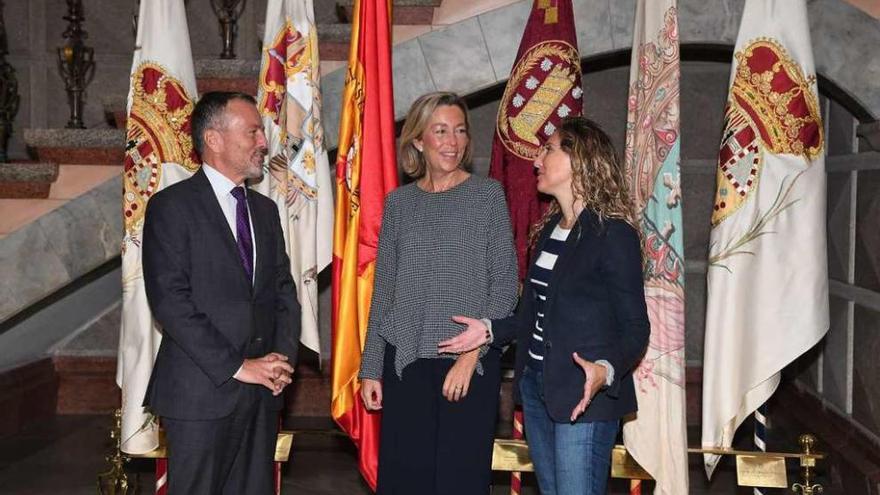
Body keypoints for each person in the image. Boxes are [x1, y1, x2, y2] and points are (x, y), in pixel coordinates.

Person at [440, 117, 650, 495]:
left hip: (583, 399)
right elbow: (533, 316)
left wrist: (604, 370)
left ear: (579, 160)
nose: (537, 159)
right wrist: (489, 330)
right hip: (538, 388)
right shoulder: (551, 229)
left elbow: (636, 328)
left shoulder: (613, 234)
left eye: (548, 150)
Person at [358, 91, 519, 494]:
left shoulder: (487, 196)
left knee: (458, 482)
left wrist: (470, 356)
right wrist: (370, 368)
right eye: (441, 131)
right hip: (406, 364)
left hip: (468, 366)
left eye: (460, 131)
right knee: (405, 481)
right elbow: (385, 292)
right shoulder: (399, 203)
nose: (452, 141)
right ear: (417, 141)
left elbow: (504, 284)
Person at [142, 91, 301, 494]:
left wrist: (280, 362)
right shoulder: (171, 207)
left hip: (263, 394)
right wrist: (238, 366)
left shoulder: (264, 212)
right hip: (201, 395)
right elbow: (171, 302)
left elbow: (283, 292)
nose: (264, 143)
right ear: (214, 140)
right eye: (252, 132)